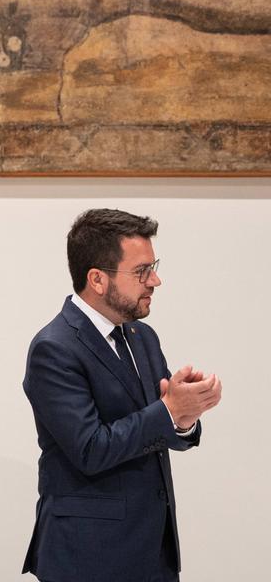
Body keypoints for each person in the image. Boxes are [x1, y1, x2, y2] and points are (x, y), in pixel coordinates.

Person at [22, 209, 223, 582]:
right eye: (141, 271)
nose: (156, 281)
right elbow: (90, 450)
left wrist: (183, 418)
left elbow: (157, 431)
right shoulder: (54, 348)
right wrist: (168, 411)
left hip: (153, 553)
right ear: (97, 279)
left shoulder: (142, 338)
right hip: (88, 557)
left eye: (154, 267)